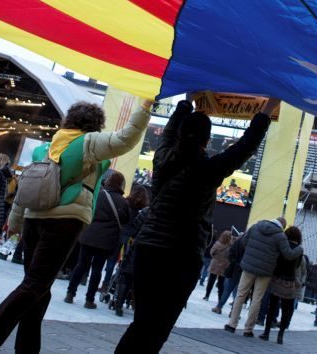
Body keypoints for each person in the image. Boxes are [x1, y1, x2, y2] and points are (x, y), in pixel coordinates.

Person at [0, 99, 152, 354]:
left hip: (33, 219)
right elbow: (126, 139)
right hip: (65, 220)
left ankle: (27, 350)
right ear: (95, 124)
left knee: (40, 288)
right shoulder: (88, 143)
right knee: (35, 285)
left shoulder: (46, 148)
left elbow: (28, 185)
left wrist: (15, 220)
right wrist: (145, 108)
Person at [115, 97, 277, 353]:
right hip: (182, 254)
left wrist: (186, 103)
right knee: (159, 326)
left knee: (143, 321)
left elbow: (169, 132)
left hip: (148, 248)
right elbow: (246, 145)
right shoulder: (208, 169)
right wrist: (268, 109)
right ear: (206, 140)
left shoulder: (163, 158)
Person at [225, 216, 303, 337]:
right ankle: (248, 329)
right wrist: (299, 249)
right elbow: (288, 254)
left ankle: (232, 324)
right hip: (265, 271)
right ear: (282, 226)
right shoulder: (280, 236)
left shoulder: (255, 227)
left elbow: (243, 242)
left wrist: (251, 253)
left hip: (248, 266)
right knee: (256, 299)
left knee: (240, 295)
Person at [66, 170, 131, 308]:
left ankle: (70, 293)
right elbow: (126, 219)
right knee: (97, 269)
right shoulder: (123, 202)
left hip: (89, 235)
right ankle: (89, 300)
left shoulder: (98, 195)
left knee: (81, 265)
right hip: (106, 240)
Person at [260, 225, 307, 344]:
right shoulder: (299, 250)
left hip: (277, 279)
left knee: (272, 307)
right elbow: (296, 266)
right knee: (286, 310)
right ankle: (280, 336)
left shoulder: (282, 246)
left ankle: (266, 333)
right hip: (289, 281)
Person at [101, 183, 149, 294]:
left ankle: (106, 284)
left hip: (120, 234)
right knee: (125, 263)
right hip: (131, 238)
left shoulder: (126, 203)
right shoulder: (143, 209)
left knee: (111, 260)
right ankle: (119, 285)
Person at [213, 230, 247, 314]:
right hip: (244, 271)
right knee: (238, 293)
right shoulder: (252, 245)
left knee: (227, 290)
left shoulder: (238, 242)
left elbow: (230, 254)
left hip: (233, 269)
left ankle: (219, 307)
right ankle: (234, 312)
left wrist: (234, 263)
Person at [204, 230, 233, 302]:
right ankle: (220, 298)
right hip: (224, 266)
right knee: (221, 283)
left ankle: (207, 295)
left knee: (211, 281)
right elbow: (231, 256)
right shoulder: (230, 246)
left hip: (215, 264)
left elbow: (211, 253)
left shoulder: (217, 243)